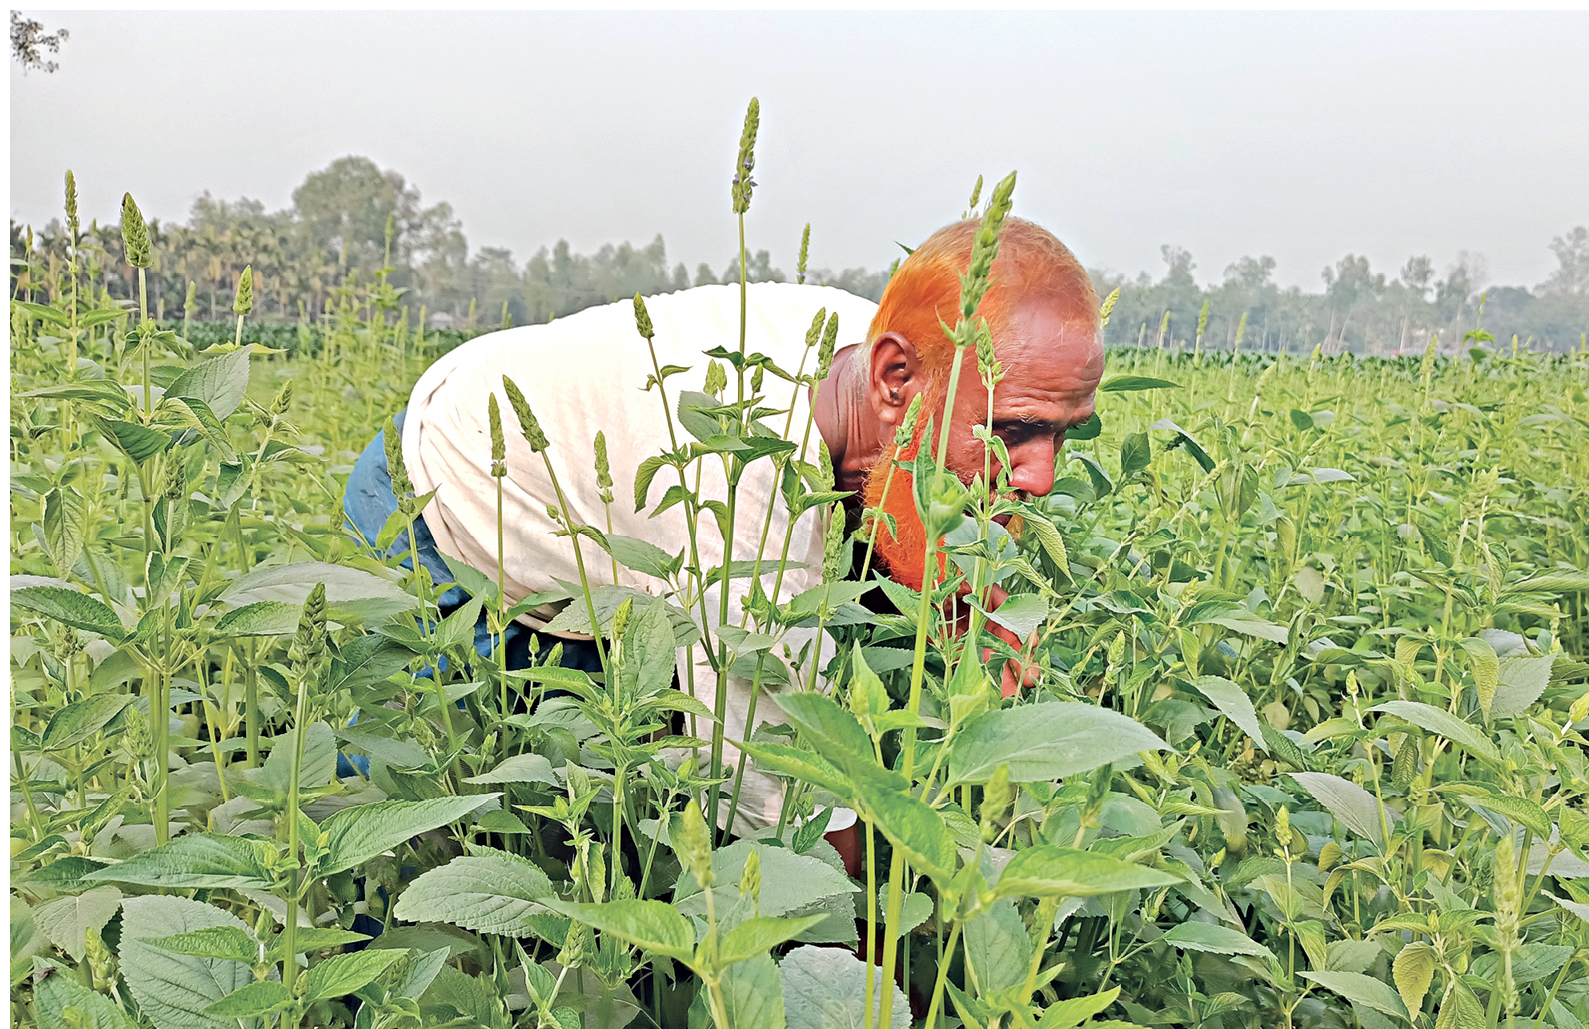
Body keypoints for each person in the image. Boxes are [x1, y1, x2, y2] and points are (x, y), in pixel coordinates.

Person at [343, 216, 1104, 873]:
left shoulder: (905, 358)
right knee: (439, 803)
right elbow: (772, 789)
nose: (1041, 477)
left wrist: (965, 610)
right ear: (892, 378)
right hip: (453, 491)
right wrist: (875, 957)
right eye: (1013, 430)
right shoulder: (741, 494)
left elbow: (895, 512)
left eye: (1063, 434)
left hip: (604, 500)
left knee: (616, 787)